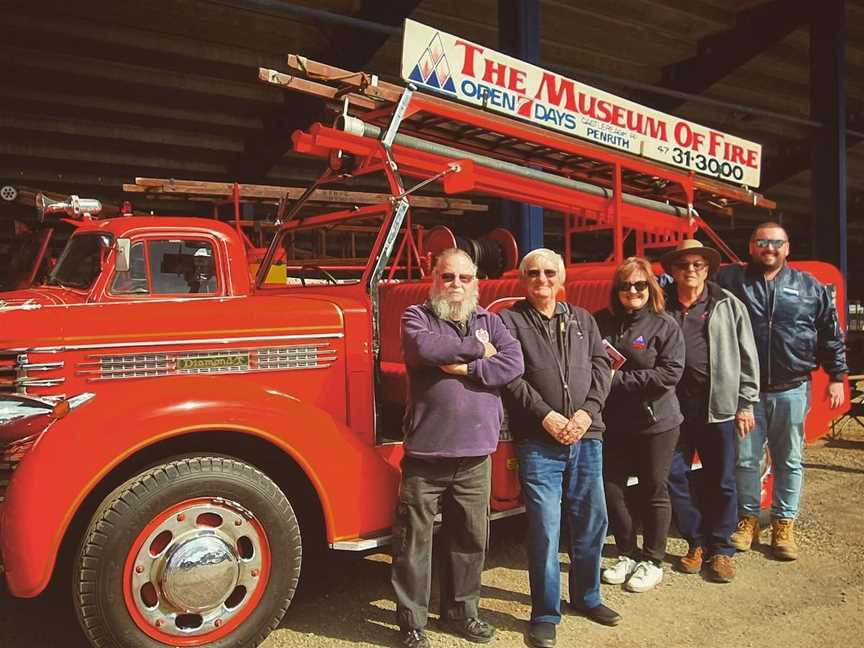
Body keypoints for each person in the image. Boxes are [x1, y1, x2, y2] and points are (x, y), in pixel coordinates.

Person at [392, 248, 524, 648]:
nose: (456, 285)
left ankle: (461, 613)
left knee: (469, 539)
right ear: (434, 279)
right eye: (448, 277)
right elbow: (426, 351)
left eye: (464, 278)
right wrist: (479, 351)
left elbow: (514, 363)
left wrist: (467, 367)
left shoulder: (491, 320)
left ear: (476, 282)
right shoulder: (416, 317)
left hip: (475, 457)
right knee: (413, 544)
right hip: (426, 456)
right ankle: (412, 623)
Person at [501, 249, 617, 648]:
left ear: (562, 277)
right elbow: (511, 378)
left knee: (591, 522)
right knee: (546, 529)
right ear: (523, 279)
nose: (542, 280)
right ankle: (545, 613)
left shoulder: (582, 319)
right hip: (539, 440)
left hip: (587, 437)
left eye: (550, 272)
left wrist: (588, 412)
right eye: (533, 273)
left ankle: (587, 597)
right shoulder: (509, 321)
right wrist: (546, 416)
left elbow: (603, 367)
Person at [715, 222, 848, 560]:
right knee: (746, 459)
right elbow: (689, 286)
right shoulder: (730, 281)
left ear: (787, 248)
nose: (769, 248)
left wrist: (836, 375)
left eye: (776, 242)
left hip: (791, 389)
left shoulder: (809, 287)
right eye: (762, 242)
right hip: (747, 393)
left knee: (789, 459)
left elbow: (829, 332)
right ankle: (747, 519)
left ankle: (783, 522)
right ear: (751, 247)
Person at [662, 239, 759, 583]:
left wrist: (746, 403)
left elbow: (747, 356)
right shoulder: (661, 305)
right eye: (683, 265)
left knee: (722, 478)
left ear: (707, 269)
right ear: (672, 271)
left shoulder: (727, 305)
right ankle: (696, 541)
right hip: (671, 407)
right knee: (672, 474)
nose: (690, 270)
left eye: (697, 265)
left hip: (717, 405)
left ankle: (721, 549)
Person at [595, 257, 685, 593]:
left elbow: (668, 374)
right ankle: (627, 553)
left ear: (650, 287)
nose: (632, 291)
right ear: (615, 290)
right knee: (611, 487)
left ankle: (653, 560)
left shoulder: (665, 326)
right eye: (625, 286)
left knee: (653, 487)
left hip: (656, 422)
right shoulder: (601, 322)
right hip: (614, 422)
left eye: (639, 285)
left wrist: (617, 380)